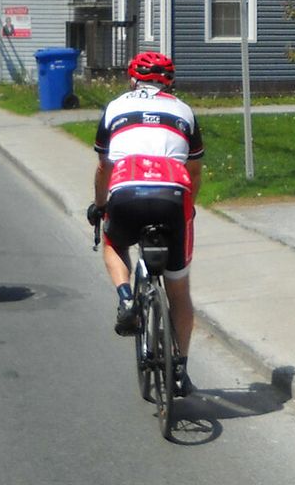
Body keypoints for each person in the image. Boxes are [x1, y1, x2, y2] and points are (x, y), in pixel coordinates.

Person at [88, 51, 204, 398]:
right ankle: (180, 370)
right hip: (173, 196)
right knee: (179, 291)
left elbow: (104, 167)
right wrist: (189, 208)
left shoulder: (115, 107)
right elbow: (194, 169)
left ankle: (126, 297)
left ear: (132, 80)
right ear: (170, 82)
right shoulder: (184, 111)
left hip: (126, 192)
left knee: (113, 243)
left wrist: (100, 206)